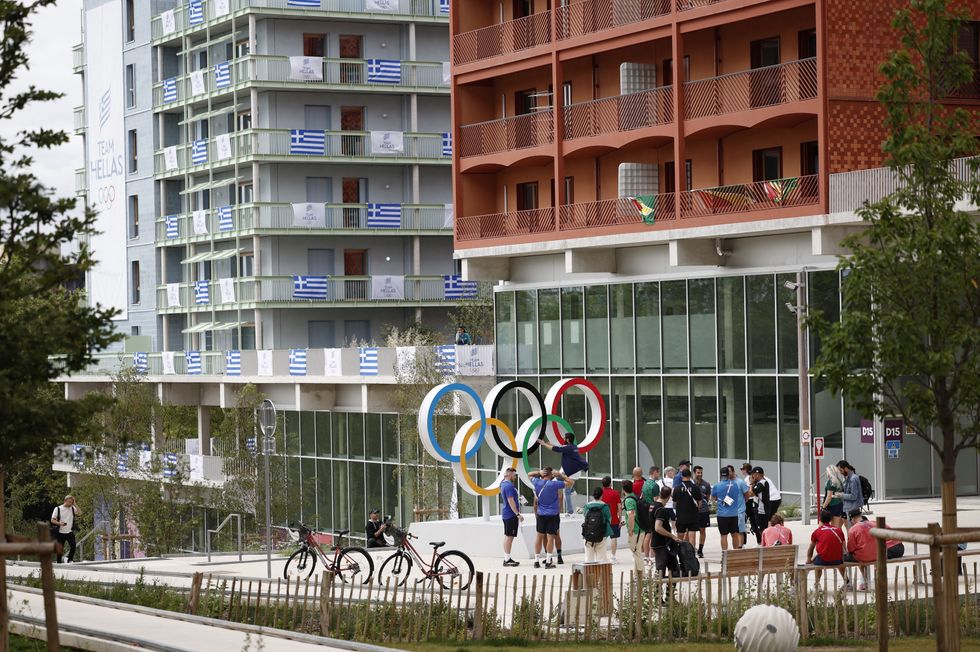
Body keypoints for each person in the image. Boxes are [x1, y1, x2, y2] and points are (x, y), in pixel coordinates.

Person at [529, 467, 573, 568]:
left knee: (539, 537)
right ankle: (549, 561)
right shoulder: (554, 484)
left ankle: (536, 560)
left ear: (543, 474)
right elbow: (570, 483)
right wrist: (561, 476)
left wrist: (538, 472)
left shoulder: (537, 482)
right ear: (551, 475)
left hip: (541, 514)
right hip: (552, 514)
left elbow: (529, 475)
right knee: (551, 538)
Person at [536, 432, 588, 516]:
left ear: (567, 439)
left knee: (563, 489)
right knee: (560, 483)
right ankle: (572, 490)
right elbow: (559, 447)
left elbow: (555, 449)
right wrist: (550, 444)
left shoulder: (568, 448)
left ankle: (569, 511)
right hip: (574, 472)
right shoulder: (574, 447)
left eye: (564, 438)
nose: (563, 439)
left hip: (569, 472)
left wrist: (543, 444)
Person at [651, 486, 683, 602]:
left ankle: (667, 597)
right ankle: (659, 598)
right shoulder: (661, 509)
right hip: (662, 544)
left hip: (659, 543)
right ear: (669, 497)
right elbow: (658, 528)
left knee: (673, 570)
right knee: (662, 570)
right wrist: (672, 536)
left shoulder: (652, 506)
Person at [806, 509, 848, 589]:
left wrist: (808, 559)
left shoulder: (817, 532)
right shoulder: (838, 530)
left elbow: (811, 547)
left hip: (823, 560)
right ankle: (846, 581)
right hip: (838, 560)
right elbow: (843, 546)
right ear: (830, 519)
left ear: (820, 519)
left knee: (817, 559)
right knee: (838, 557)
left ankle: (817, 583)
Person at [710, 467, 750, 551]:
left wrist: (721, 498)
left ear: (721, 475)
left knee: (723, 535)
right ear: (728, 474)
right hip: (734, 514)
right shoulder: (736, 484)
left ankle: (725, 554)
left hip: (722, 514)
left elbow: (713, 498)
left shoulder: (717, 485)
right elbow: (740, 496)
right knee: (735, 534)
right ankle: (735, 551)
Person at [843, 509, 876, 590]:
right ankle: (865, 579)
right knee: (862, 552)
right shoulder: (873, 524)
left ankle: (849, 583)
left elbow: (850, 548)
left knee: (847, 557)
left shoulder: (853, 529)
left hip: (864, 556)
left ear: (852, 519)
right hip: (877, 554)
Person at [748, 466, 781, 543]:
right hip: (758, 509)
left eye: (753, 474)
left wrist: (750, 484)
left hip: (761, 510)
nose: (752, 476)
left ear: (757, 474)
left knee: (763, 529)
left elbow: (751, 494)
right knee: (761, 528)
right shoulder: (758, 483)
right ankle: (765, 543)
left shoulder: (762, 483)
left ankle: (766, 544)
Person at [671, 468, 702, 546]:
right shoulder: (695, 488)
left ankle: (680, 554)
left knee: (680, 537)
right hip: (693, 515)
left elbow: (674, 503)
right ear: (690, 475)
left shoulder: (677, 488)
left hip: (681, 516)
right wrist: (697, 509)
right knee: (692, 537)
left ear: (682, 476)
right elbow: (700, 502)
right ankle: (691, 554)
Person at [582, 487, 613, 563]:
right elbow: (609, 519)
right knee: (601, 559)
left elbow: (585, 517)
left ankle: (589, 574)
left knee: (588, 559)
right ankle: (600, 574)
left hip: (588, 534)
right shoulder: (605, 506)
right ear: (602, 495)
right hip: (601, 534)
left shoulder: (587, 506)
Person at [500, 467, 523, 567]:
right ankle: (507, 560)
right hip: (510, 515)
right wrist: (518, 514)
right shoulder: (509, 486)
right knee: (509, 537)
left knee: (507, 536)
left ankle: (507, 557)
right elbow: (511, 500)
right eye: (514, 474)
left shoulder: (503, 483)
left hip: (506, 514)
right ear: (509, 474)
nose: (515, 476)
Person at [622, 480, 644, 573]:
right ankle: (637, 574)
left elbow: (631, 515)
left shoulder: (628, 500)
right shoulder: (634, 497)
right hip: (640, 529)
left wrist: (630, 530)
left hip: (635, 530)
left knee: (636, 552)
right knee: (637, 552)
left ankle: (642, 575)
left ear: (623, 489)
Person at [50, 495, 80, 563]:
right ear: (65, 501)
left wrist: (75, 504)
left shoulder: (72, 508)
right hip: (60, 532)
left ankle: (69, 559)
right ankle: (59, 562)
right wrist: (59, 523)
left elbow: (80, 513)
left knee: (73, 546)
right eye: (70, 502)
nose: (71, 504)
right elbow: (52, 520)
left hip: (69, 532)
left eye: (72, 502)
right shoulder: (58, 509)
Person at [599, 476, 622, 562]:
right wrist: (620, 518)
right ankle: (613, 557)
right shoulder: (615, 493)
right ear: (610, 483)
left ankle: (602, 557)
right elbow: (619, 507)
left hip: (603, 519)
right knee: (614, 538)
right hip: (614, 519)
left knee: (603, 539)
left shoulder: (600, 493)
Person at [836, 461, 864, 527]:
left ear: (846, 468)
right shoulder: (848, 478)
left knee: (852, 530)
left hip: (852, 509)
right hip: (849, 508)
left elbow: (854, 496)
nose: (840, 472)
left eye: (841, 470)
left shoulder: (853, 479)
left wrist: (841, 495)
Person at [693, 466, 712, 558]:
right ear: (694, 473)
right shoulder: (691, 483)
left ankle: (700, 550)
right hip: (692, 511)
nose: (700, 474)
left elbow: (707, 497)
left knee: (702, 530)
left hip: (703, 511)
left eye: (701, 472)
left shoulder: (706, 484)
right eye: (698, 472)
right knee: (691, 532)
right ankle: (691, 549)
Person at [740, 463, 760, 545]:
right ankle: (759, 541)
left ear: (745, 469)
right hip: (753, 502)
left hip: (749, 502)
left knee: (743, 522)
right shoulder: (752, 477)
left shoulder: (748, 478)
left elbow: (748, 491)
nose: (741, 471)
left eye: (742, 469)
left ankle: (743, 542)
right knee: (754, 522)